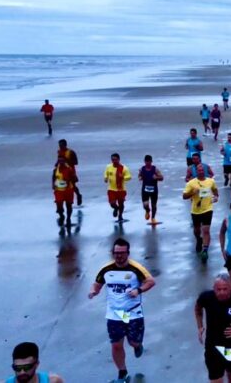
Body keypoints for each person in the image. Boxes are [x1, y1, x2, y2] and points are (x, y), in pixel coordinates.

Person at [88, 238, 156, 383]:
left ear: (128, 253)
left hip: (133, 313)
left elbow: (151, 282)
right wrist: (93, 291)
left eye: (122, 253)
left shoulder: (136, 268)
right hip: (115, 313)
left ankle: (138, 345)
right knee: (116, 345)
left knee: (133, 342)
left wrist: (138, 290)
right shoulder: (106, 269)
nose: (118, 256)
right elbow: (97, 284)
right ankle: (122, 373)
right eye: (116, 253)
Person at [195, 273, 231, 383]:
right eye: (218, 289)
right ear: (214, 288)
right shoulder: (206, 297)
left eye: (225, 289)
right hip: (213, 347)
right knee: (215, 379)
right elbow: (198, 309)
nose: (221, 292)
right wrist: (200, 326)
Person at [183, 164, 220, 263]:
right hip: (195, 210)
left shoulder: (211, 181)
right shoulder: (191, 183)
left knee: (206, 230)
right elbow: (184, 196)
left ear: (204, 171)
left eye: (202, 170)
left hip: (208, 209)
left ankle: (205, 250)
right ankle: (199, 240)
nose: (201, 172)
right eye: (199, 170)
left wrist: (216, 197)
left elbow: (215, 191)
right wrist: (192, 193)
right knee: (197, 230)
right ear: (196, 172)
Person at [104, 153, 133, 222]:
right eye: (112, 159)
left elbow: (129, 177)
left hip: (121, 189)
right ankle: (116, 208)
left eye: (115, 160)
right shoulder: (108, 167)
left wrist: (123, 177)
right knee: (112, 203)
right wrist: (105, 178)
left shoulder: (124, 168)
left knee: (121, 203)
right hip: (111, 189)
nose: (114, 161)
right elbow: (106, 173)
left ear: (119, 159)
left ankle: (120, 216)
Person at [138, 155, 164, 225]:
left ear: (151, 162)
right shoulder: (142, 169)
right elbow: (139, 176)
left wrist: (157, 177)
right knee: (145, 205)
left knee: (154, 205)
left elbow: (162, 178)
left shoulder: (155, 169)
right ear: (144, 162)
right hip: (145, 190)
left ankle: (153, 218)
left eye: (149, 162)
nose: (148, 163)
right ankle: (147, 210)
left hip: (154, 190)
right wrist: (140, 177)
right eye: (146, 162)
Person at [52, 156, 77, 227]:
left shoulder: (69, 169)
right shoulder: (56, 169)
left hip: (68, 189)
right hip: (58, 190)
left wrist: (70, 179)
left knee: (68, 205)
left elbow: (75, 179)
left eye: (62, 161)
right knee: (59, 205)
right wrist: (53, 184)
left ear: (65, 162)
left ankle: (68, 218)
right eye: (59, 161)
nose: (61, 162)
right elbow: (53, 176)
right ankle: (61, 215)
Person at [57, 139, 83, 206]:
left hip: (70, 171)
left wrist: (66, 160)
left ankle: (78, 195)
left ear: (65, 145)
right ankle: (63, 200)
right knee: (62, 185)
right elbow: (58, 160)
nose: (60, 146)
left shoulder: (71, 152)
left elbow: (76, 162)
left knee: (72, 185)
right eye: (59, 145)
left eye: (61, 145)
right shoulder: (59, 152)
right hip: (61, 171)